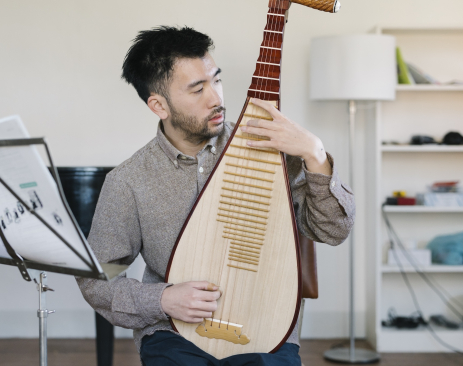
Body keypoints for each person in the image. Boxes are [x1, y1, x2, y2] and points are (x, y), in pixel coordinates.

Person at [77, 26, 355, 366]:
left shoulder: (272, 148)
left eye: (216, 81)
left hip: (266, 332)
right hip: (173, 334)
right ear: (159, 105)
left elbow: (334, 231)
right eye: (197, 89)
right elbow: (98, 277)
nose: (216, 98)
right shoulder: (129, 181)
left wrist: (315, 154)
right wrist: (162, 300)